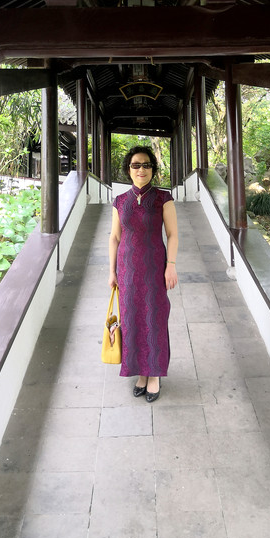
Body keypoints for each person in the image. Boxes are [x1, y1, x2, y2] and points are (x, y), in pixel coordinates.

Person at [108, 145, 178, 402]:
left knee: (155, 317)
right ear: (129, 169)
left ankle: (154, 373)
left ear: (152, 169)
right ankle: (140, 371)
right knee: (131, 319)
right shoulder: (120, 201)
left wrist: (171, 265)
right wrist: (112, 271)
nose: (141, 169)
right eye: (136, 165)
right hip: (127, 271)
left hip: (154, 267)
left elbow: (172, 234)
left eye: (146, 165)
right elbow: (115, 237)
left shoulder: (163, 198)